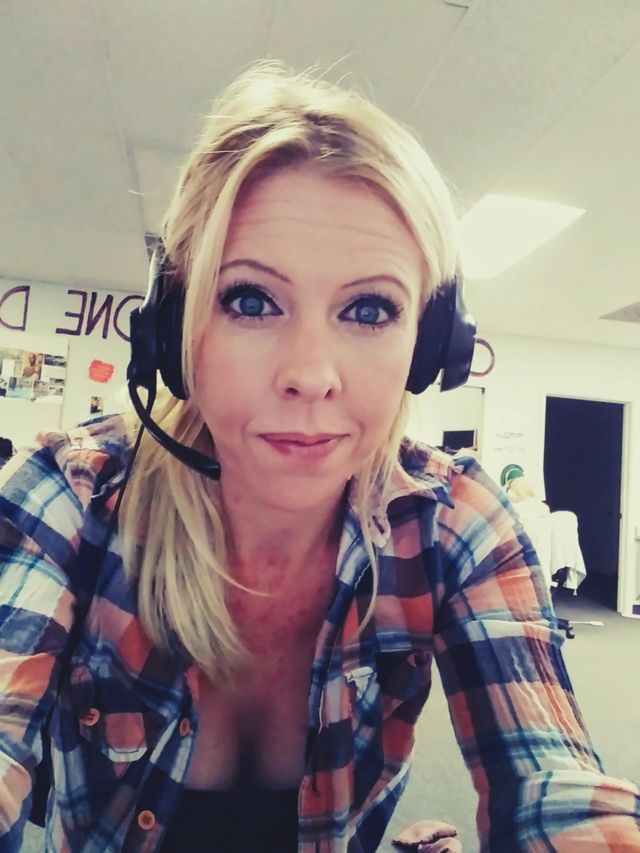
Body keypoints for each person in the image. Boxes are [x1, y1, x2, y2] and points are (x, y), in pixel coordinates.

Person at [0, 60, 638, 853]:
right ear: (175, 330)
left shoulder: (455, 524)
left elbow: (553, 782)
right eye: (251, 300)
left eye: (368, 309)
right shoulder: (70, 497)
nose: (310, 373)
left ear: (430, 348)